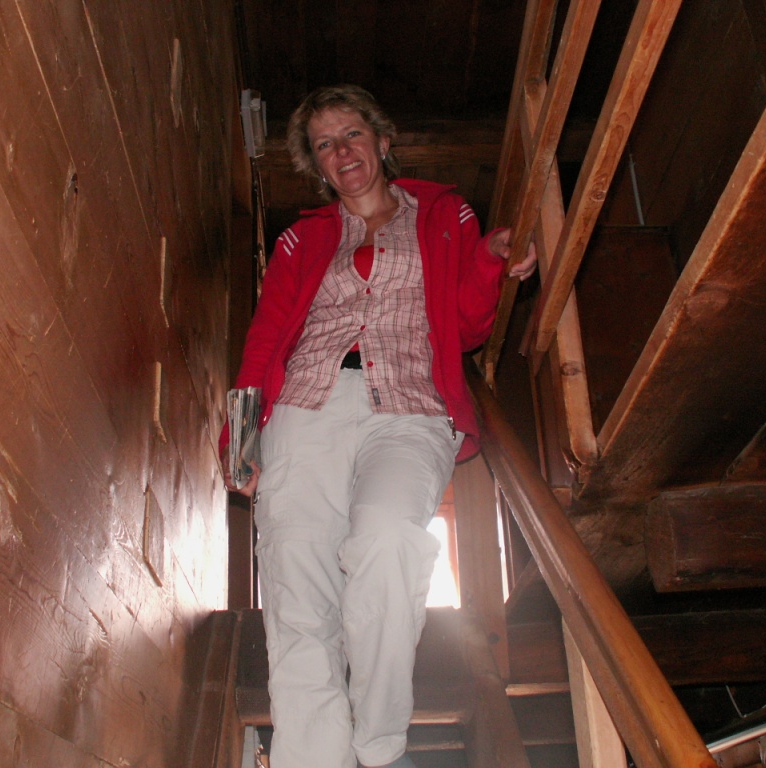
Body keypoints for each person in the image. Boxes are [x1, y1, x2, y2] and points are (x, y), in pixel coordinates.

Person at [221, 84, 536, 768]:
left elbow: (467, 327)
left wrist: (489, 260)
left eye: (352, 134)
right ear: (317, 164)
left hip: (410, 407)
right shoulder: (301, 238)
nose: (341, 151)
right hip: (305, 408)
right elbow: (264, 336)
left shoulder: (446, 214)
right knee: (297, 589)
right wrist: (240, 439)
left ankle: (380, 745)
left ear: (382, 142)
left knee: (389, 540)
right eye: (325, 144)